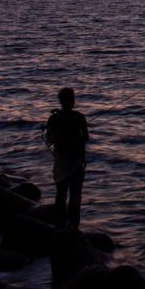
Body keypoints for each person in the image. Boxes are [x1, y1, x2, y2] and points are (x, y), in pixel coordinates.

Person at [45, 87, 89, 231]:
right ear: (72, 101)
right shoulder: (79, 117)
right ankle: (73, 225)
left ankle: (59, 225)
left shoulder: (53, 118)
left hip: (61, 161)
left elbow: (49, 139)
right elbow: (86, 137)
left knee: (61, 194)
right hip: (76, 160)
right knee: (76, 195)